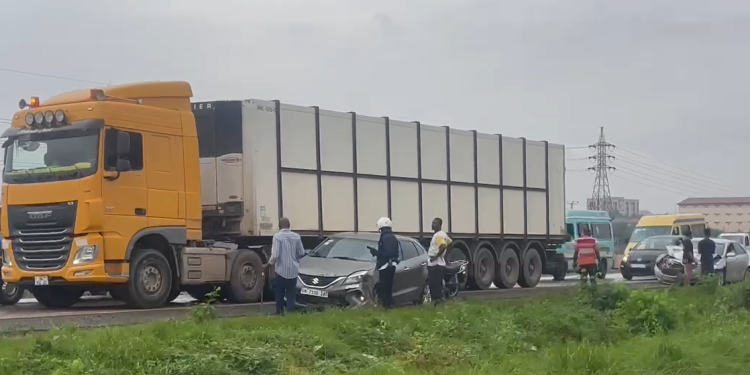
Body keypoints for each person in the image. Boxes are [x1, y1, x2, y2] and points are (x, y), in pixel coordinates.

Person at [263, 217, 306, 315]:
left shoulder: (277, 237)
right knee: (291, 293)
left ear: (279, 226)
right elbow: (301, 252)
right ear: (289, 225)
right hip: (293, 270)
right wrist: (295, 259)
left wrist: (268, 264)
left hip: (281, 270)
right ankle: (290, 313)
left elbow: (275, 255)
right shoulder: (297, 236)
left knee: (279, 293)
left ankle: (279, 312)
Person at [369, 217, 399, 309]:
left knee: (384, 288)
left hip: (386, 266)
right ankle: (388, 306)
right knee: (388, 288)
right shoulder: (392, 237)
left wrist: (376, 253)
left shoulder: (386, 237)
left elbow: (387, 253)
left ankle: (387, 306)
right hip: (391, 265)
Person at [427, 217, 452, 306]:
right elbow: (449, 243)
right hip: (440, 264)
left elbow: (443, 246)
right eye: (432, 223)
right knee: (439, 284)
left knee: (434, 286)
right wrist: (445, 256)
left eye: (435, 223)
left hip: (435, 265)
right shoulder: (443, 234)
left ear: (439, 225)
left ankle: (437, 304)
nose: (432, 225)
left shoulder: (438, 236)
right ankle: (440, 302)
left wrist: (436, 256)